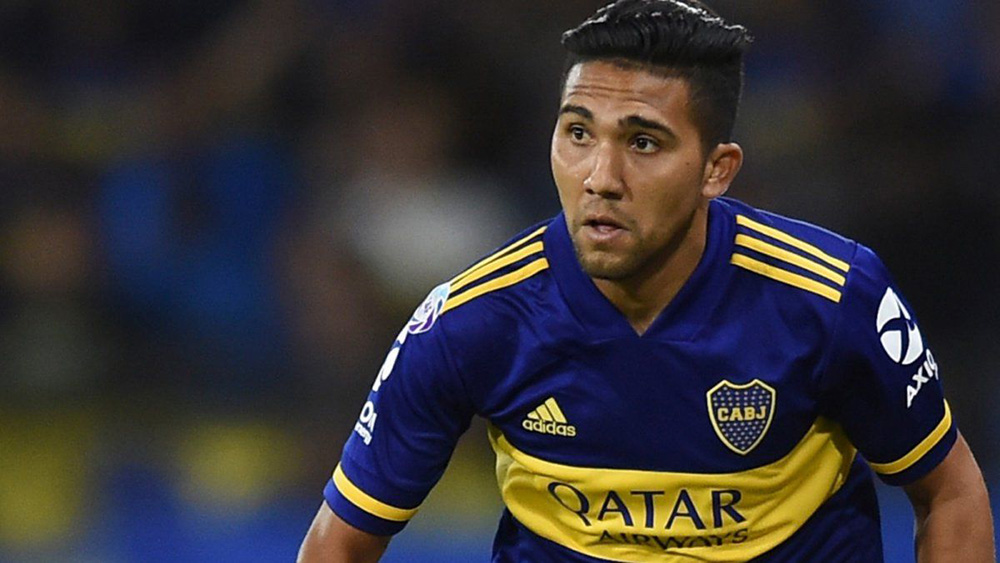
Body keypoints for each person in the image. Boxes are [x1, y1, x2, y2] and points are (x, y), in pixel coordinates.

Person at [299, 1, 995, 561]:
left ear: (717, 170)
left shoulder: (833, 298)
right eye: (578, 133)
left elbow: (950, 493)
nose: (600, 178)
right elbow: (339, 543)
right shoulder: (470, 321)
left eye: (642, 142)